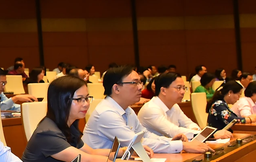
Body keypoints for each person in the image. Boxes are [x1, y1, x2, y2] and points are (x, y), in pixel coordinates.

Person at [22, 77, 172, 162]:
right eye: (79, 99)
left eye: (87, 98)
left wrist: (123, 151)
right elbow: (87, 161)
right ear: (62, 101)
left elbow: (91, 152)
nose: (86, 104)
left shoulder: (68, 126)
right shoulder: (47, 132)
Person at [83, 66, 211, 154]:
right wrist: (183, 146)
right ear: (116, 88)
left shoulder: (127, 110)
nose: (140, 87)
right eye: (134, 83)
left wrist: (170, 141)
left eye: (140, 82)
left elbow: (144, 136)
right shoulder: (107, 113)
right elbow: (135, 144)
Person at [139, 73, 231, 140]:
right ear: (163, 90)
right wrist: (212, 134)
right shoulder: (151, 109)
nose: (183, 92)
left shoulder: (174, 106)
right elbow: (173, 131)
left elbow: (189, 124)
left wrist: (195, 130)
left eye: (184, 88)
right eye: (178, 88)